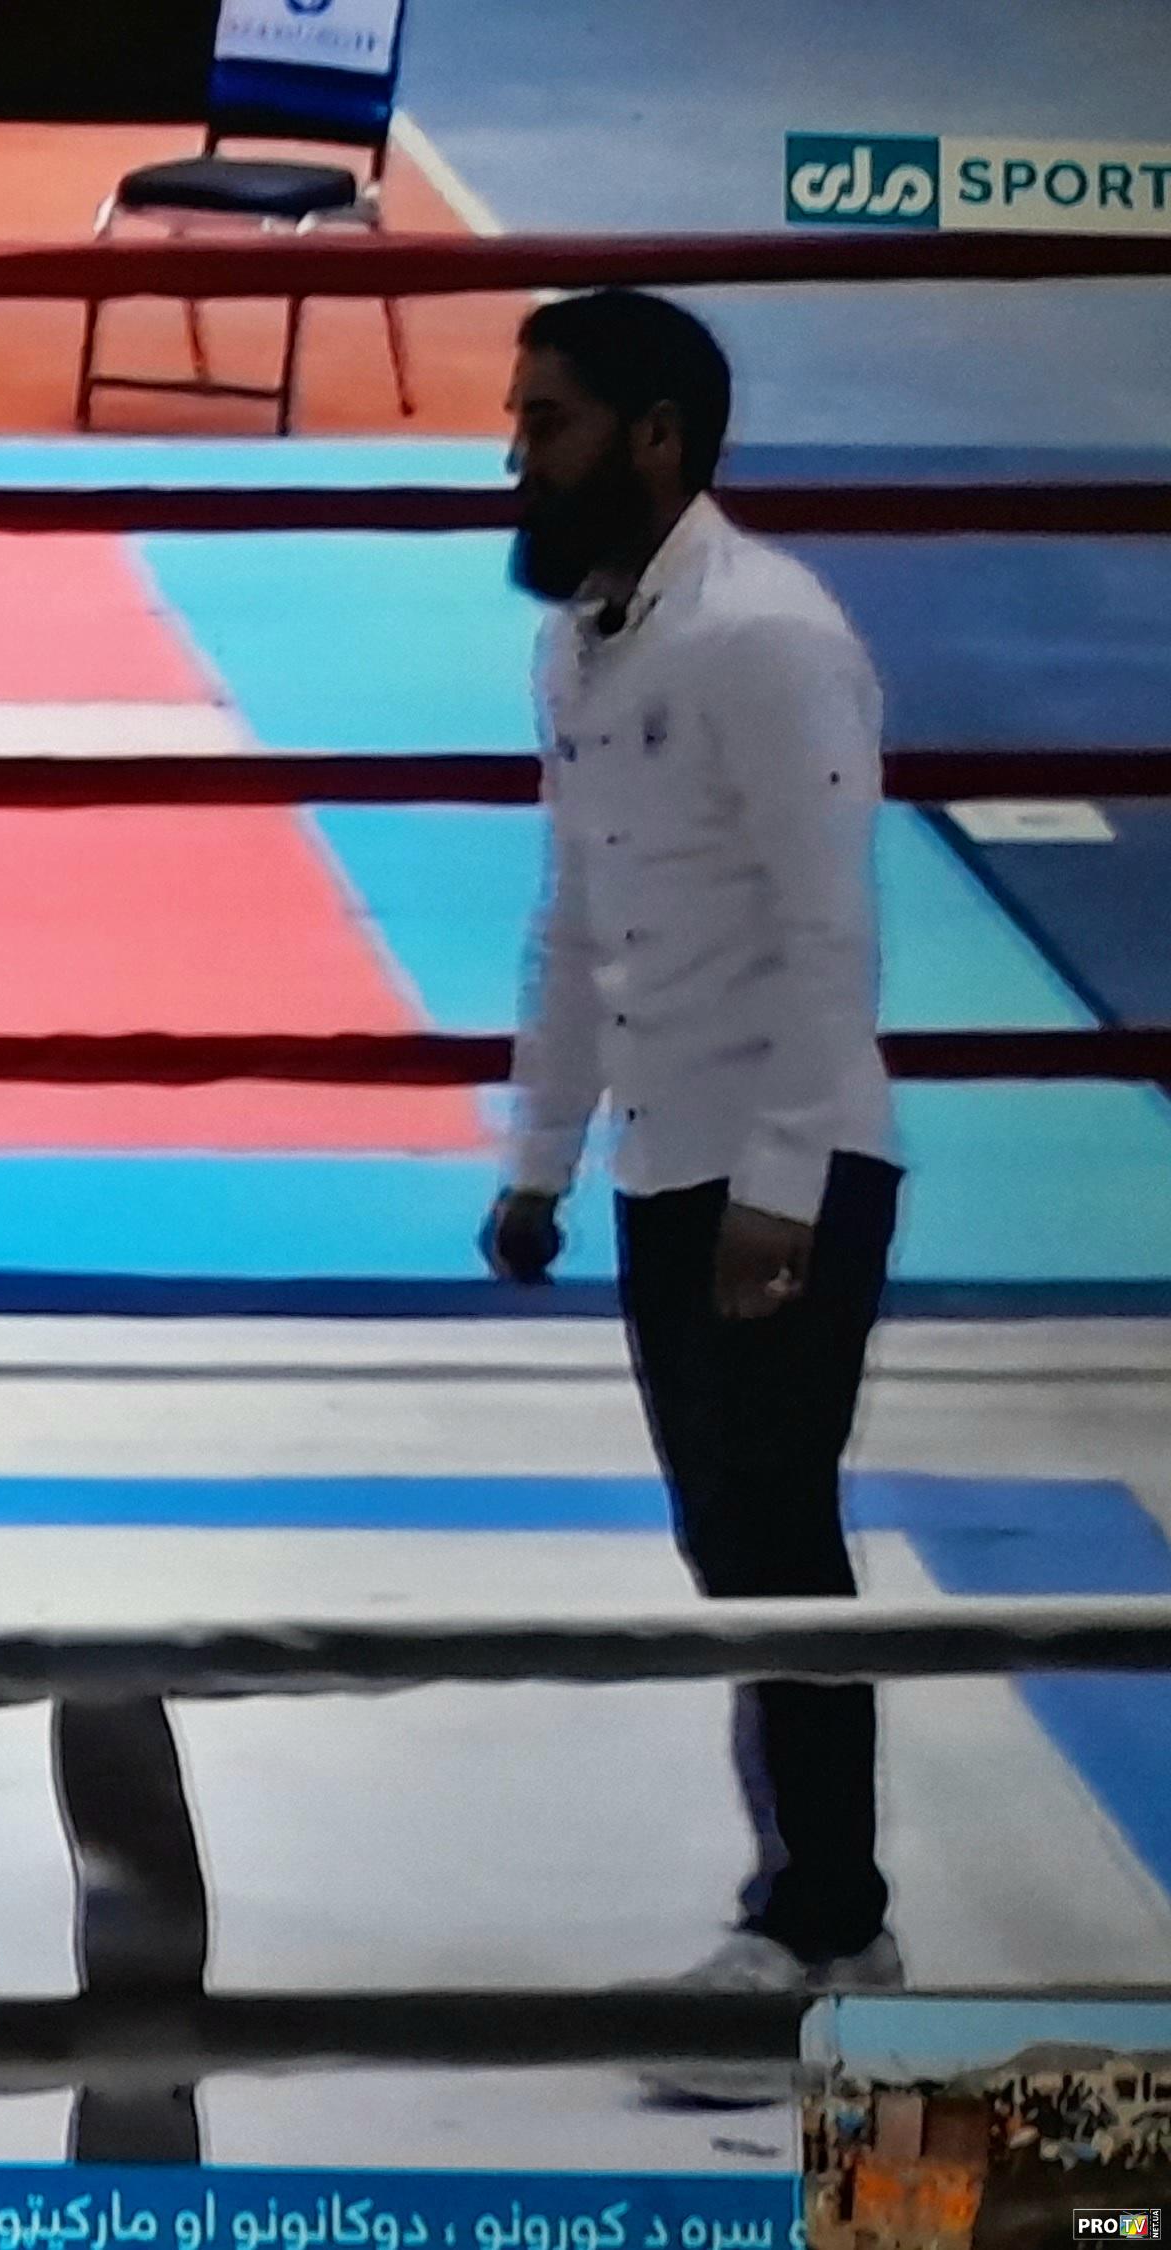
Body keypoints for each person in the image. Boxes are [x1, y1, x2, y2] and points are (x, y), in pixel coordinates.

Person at [479, 290, 905, 2045]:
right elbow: (580, 917)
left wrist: (782, 1190)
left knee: (778, 1540)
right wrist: (541, 1157)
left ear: (655, 438)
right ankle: (806, 1904)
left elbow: (828, 934)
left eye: (550, 421)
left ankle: (830, 1925)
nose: (517, 455)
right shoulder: (586, 640)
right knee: (733, 1546)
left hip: (783, 1168)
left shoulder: (771, 639)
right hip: (668, 1160)